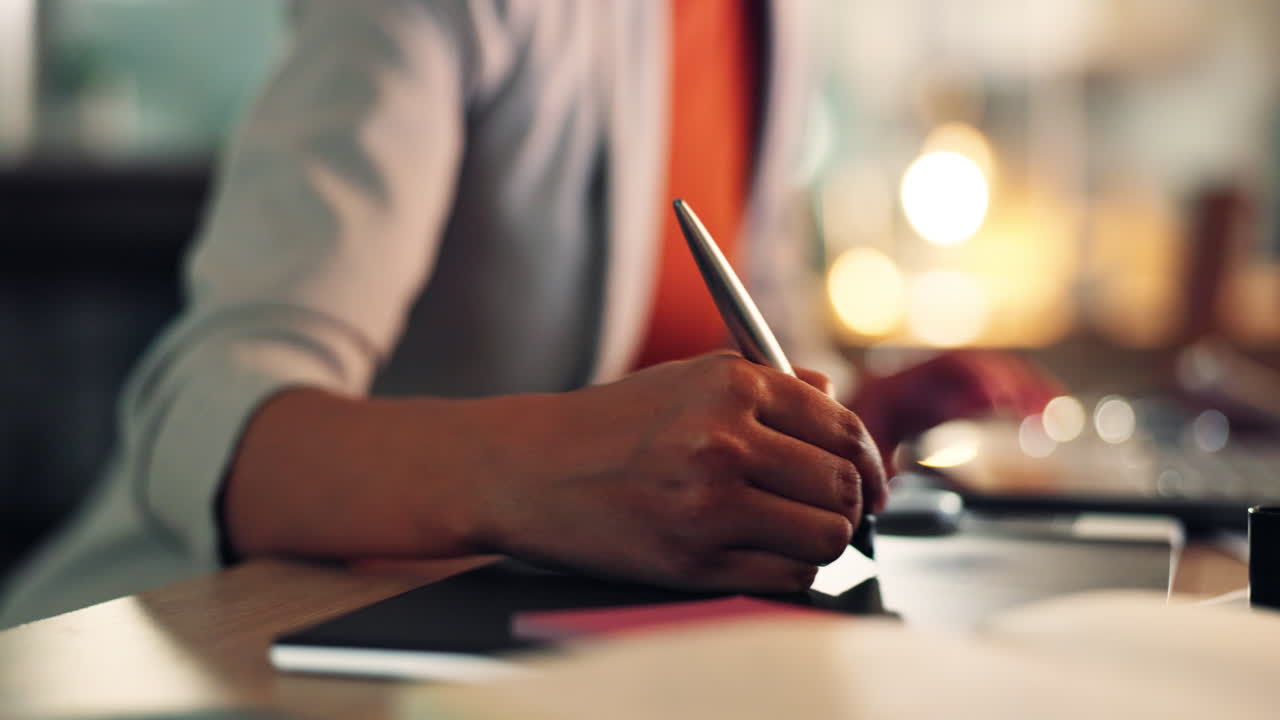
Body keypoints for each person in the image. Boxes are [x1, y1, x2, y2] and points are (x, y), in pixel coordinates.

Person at [0, 0, 1054, 627]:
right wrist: (552, 471)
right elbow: (199, 423)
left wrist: (844, 430)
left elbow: (722, 343)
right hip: (206, 647)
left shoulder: (772, 21)